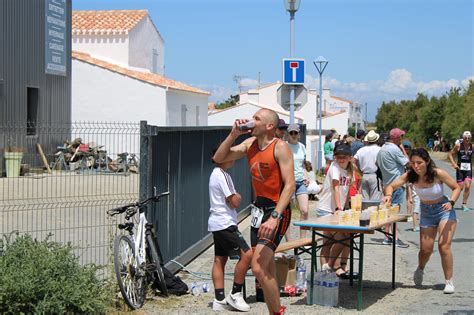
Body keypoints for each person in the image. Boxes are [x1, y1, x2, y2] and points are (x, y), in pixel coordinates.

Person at [213, 108, 295, 315]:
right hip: (259, 209)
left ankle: (277, 312)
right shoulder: (250, 144)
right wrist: (233, 134)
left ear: (269, 126)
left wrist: (275, 217)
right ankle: (276, 311)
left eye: (256, 119)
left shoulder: (280, 147)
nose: (251, 121)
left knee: (258, 267)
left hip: (277, 210)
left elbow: (290, 186)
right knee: (266, 269)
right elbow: (219, 158)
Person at [383, 148, 461, 294]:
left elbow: (456, 187)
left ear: (427, 161)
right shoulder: (410, 176)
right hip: (426, 212)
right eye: (413, 163)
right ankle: (420, 268)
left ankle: (449, 281)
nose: (416, 166)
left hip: (444, 209)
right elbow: (391, 186)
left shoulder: (437, 173)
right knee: (426, 249)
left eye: (419, 163)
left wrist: (451, 201)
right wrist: (388, 195)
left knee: (444, 245)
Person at [208, 148, 252, 311]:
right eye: (230, 154)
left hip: (217, 222)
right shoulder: (222, 175)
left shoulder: (216, 173)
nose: (234, 157)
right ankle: (235, 294)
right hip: (225, 223)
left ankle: (219, 299)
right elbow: (234, 201)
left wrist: (235, 196)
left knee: (220, 259)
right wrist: (237, 196)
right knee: (247, 254)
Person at [316, 142, 353, 277]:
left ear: (350, 157)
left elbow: (346, 189)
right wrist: (339, 207)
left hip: (338, 209)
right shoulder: (334, 167)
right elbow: (336, 187)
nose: (341, 159)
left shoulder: (350, 169)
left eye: (344, 156)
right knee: (340, 238)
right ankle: (329, 268)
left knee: (335, 240)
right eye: (338, 156)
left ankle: (327, 270)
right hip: (327, 209)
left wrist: (348, 206)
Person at [376, 128, 409, 248]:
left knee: (388, 211)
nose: (401, 139)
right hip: (397, 184)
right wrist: (403, 149)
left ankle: (387, 236)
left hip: (387, 184)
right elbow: (408, 163)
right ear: (395, 138)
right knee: (394, 213)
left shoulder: (382, 149)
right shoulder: (395, 149)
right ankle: (395, 238)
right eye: (400, 137)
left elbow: (377, 164)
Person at [286, 124, 310, 239]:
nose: (294, 135)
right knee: (287, 213)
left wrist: (307, 176)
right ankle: (289, 240)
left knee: (304, 210)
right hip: (288, 182)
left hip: (300, 182)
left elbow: (302, 165)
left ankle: (303, 239)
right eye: (291, 133)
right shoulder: (284, 146)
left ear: (299, 134)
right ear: (288, 134)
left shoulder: (302, 147)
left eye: (296, 133)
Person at [354, 130, 383, 201]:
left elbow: (353, 161)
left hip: (364, 175)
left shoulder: (361, 150)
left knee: (365, 200)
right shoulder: (379, 149)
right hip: (375, 175)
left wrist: (359, 172)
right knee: (375, 200)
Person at [448, 131, 472, 211]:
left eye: (469, 138)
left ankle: (464, 204)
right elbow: (450, 154)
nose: (467, 139)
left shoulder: (472, 146)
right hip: (460, 169)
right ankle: (451, 201)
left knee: (468, 186)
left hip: (468, 169)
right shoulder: (458, 145)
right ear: (463, 138)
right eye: (466, 138)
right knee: (460, 187)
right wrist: (454, 163)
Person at [402, 140, 420, 231]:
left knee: (409, 197)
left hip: (407, 177)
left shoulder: (403, 155)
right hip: (408, 177)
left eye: (406, 147)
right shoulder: (409, 156)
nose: (405, 149)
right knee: (409, 197)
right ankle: (410, 214)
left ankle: (410, 215)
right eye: (404, 147)